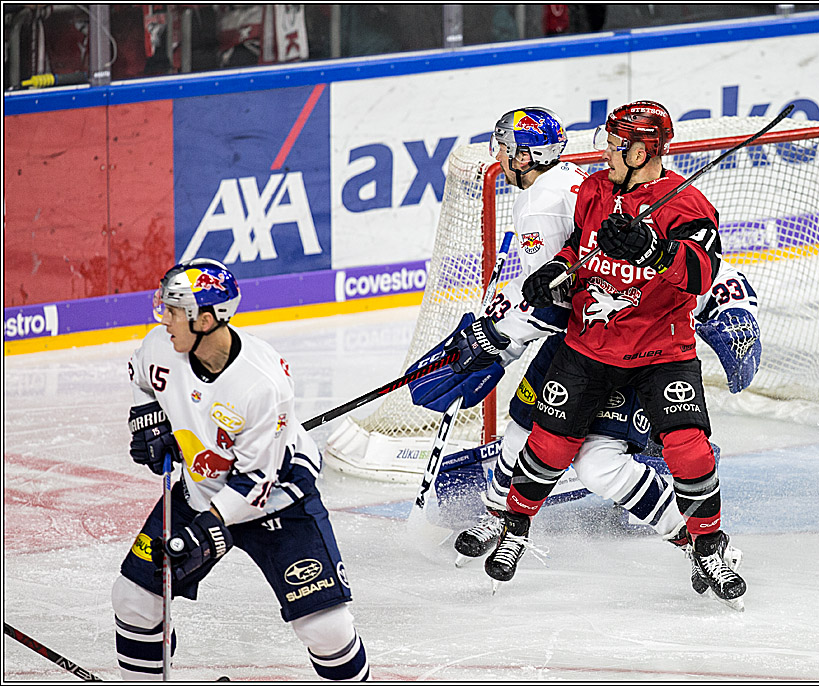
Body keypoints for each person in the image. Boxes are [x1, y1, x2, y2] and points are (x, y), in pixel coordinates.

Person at [407, 106, 759, 602]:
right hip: (590, 344)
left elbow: (700, 273)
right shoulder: (595, 190)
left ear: (640, 151)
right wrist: (559, 269)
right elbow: (579, 249)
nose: (606, 150)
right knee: (547, 440)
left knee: (687, 447)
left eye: (616, 143)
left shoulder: (689, 206)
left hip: (661, 348)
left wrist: (652, 250)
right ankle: (513, 532)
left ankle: (708, 548)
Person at [112, 258, 369, 681]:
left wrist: (210, 525)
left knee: (326, 629)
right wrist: (147, 418)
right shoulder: (160, 346)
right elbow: (141, 379)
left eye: (174, 311)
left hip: (278, 498)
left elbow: (256, 481)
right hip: (201, 489)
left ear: (207, 319)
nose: (164, 319)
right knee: (136, 601)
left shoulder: (261, 382)